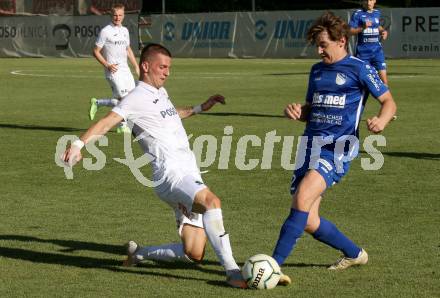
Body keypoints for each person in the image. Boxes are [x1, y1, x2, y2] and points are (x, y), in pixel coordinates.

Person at [62, 43, 249, 288]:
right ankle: (233, 271)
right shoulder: (135, 98)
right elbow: (107, 122)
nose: (167, 72)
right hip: (171, 175)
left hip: (188, 171)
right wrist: (78, 145)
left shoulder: (161, 93)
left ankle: (140, 253)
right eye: (162, 67)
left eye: (169, 67)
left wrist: (199, 108)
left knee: (194, 253)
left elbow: (171, 114)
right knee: (212, 202)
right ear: (146, 66)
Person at [271, 12, 396, 273]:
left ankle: (272, 267)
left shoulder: (360, 68)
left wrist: (382, 121)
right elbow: (311, 109)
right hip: (310, 145)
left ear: (341, 41)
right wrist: (296, 112)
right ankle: (355, 253)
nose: (318, 50)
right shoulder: (317, 71)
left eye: (323, 45)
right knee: (308, 219)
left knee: (302, 198)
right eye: (317, 45)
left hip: (338, 147)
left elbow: (388, 102)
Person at [90, 3, 139, 133]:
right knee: (124, 99)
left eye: (120, 15)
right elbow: (95, 51)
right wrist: (107, 65)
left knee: (130, 98)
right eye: (115, 15)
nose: (117, 17)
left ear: (124, 16)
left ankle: (98, 103)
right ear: (111, 15)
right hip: (113, 70)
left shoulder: (125, 31)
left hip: (125, 70)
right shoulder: (106, 31)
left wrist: (135, 66)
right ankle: (122, 125)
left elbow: (128, 49)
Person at [349, 0, 388, 85]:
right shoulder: (357, 14)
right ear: (362, 2)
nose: (368, 2)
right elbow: (350, 31)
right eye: (366, 0)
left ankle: (387, 98)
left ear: (374, 1)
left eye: (370, 0)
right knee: (361, 82)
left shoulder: (377, 13)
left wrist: (383, 31)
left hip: (377, 51)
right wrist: (363, 27)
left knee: (384, 82)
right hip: (363, 53)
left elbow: (377, 26)